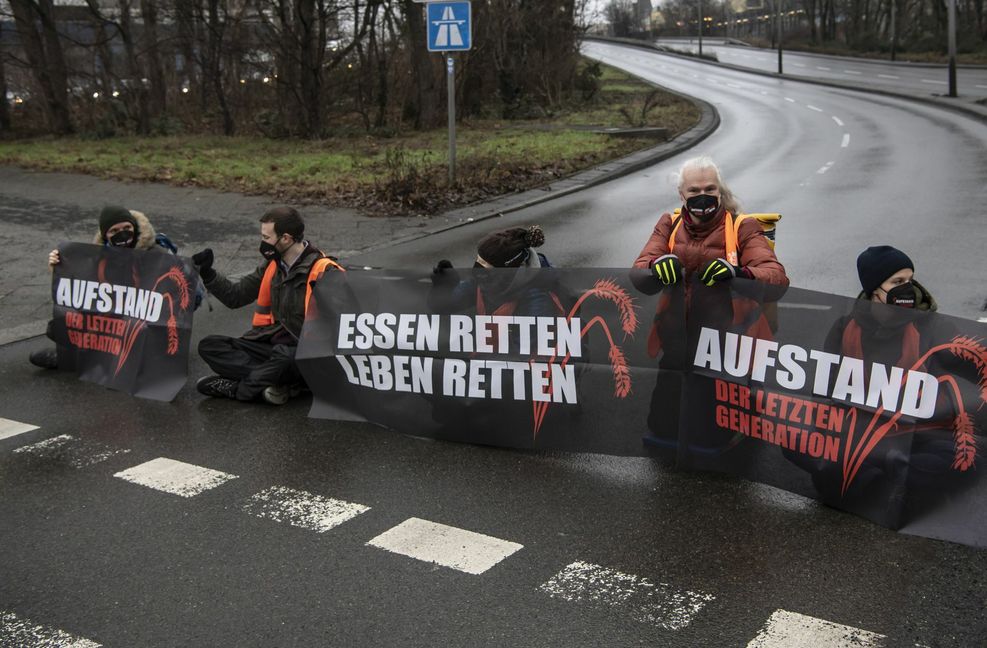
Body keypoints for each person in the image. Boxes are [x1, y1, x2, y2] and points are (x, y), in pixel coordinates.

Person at [630, 156, 789, 450]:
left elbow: (776, 279)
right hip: (677, 341)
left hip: (724, 346)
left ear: (719, 191)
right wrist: (654, 266)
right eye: (694, 191)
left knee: (713, 439)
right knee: (662, 431)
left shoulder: (742, 227)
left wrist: (739, 273)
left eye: (710, 189)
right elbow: (638, 271)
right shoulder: (669, 223)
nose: (702, 196)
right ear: (682, 195)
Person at [192, 206, 343, 405]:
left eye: (266, 237)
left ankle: (239, 389)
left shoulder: (325, 271)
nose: (262, 243)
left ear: (286, 238)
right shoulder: (273, 265)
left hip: (305, 352)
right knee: (210, 346)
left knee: (284, 358)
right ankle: (279, 384)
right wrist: (207, 273)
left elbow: (340, 330)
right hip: (271, 345)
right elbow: (236, 296)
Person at [29, 205, 181, 370]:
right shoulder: (99, 257)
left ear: (135, 228)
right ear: (105, 235)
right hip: (112, 324)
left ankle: (76, 358)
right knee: (57, 327)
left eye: (127, 228)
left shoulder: (158, 254)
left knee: (133, 335)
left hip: (145, 325)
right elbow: (78, 286)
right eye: (114, 231)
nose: (122, 234)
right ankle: (88, 356)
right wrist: (60, 265)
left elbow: (186, 297)